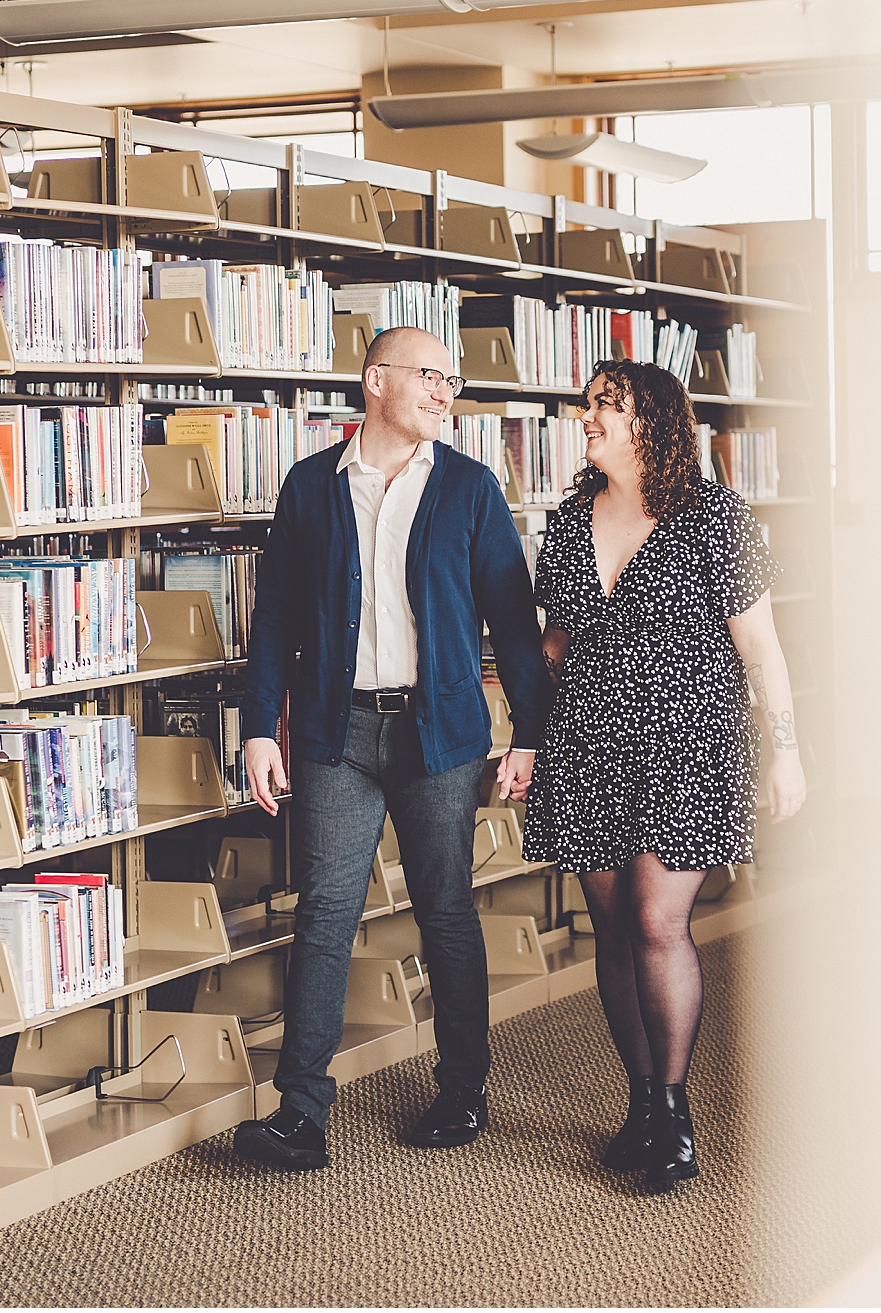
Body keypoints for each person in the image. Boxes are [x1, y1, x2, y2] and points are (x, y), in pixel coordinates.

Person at [232, 324, 546, 1171]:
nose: (446, 393)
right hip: (338, 731)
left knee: (445, 909)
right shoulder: (310, 488)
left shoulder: (472, 491)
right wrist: (261, 724)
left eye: (452, 380)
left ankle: (463, 1089)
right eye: (430, 376)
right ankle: (301, 1111)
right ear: (375, 381)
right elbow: (276, 621)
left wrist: (532, 735)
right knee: (325, 913)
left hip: (440, 733)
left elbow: (515, 631)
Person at [515, 358, 806, 1194]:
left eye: (606, 404)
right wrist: (517, 722)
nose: (586, 415)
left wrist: (784, 749)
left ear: (652, 420)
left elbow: (760, 646)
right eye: (588, 404)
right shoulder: (571, 519)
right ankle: (641, 1102)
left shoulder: (715, 514)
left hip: (687, 746)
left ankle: (674, 1113)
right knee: (611, 927)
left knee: (655, 920)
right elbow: (557, 645)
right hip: (589, 746)